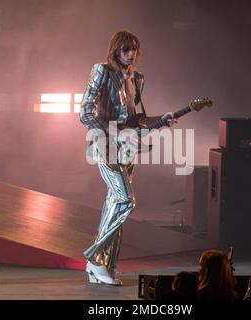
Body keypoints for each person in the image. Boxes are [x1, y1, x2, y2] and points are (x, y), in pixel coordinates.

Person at [79, 30, 176, 285]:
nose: (131, 54)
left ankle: (105, 268)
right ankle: (95, 258)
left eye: (134, 49)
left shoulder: (138, 79)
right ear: (115, 51)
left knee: (114, 206)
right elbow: (85, 113)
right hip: (105, 145)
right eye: (126, 49)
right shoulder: (102, 71)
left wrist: (161, 120)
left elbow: (136, 120)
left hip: (129, 150)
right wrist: (114, 135)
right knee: (126, 201)